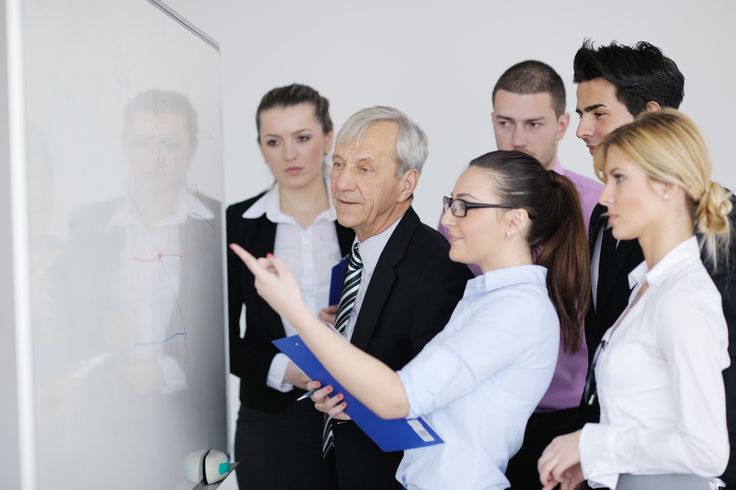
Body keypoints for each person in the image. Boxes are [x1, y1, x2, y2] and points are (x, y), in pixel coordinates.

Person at [231, 149, 590, 489]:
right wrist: (355, 404)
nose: (448, 218)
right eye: (450, 203)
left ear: (514, 221)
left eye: (464, 206)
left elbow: (400, 397)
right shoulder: (485, 297)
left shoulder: (516, 310)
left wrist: (293, 310)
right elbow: (433, 411)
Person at [539, 109, 732, 490]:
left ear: (666, 186)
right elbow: (645, 416)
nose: (605, 195)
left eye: (620, 179)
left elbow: (707, 450)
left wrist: (592, 443)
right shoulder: (647, 288)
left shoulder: (682, 300)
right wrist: (596, 462)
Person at [574, 40, 736, 487]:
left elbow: (714, 391)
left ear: (650, 117)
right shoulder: (604, 218)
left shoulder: (718, 232)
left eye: (598, 112)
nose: (581, 129)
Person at [311, 106, 471, 489]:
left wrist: (357, 401)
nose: (343, 183)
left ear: (406, 183)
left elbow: (441, 402)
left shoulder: (437, 267)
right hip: (342, 467)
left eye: (364, 169)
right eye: (338, 165)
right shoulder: (355, 253)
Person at [226, 84, 354, 489]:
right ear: (261, 147)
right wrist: (288, 371)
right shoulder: (237, 224)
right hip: (271, 418)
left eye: (303, 138)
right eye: (274, 142)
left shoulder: (364, 217)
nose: (290, 154)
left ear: (328, 137)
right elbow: (218, 335)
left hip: (358, 410)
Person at [489, 60, 600, 489]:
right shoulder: (463, 212)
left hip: (569, 419)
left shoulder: (601, 207)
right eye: (505, 122)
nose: (517, 140)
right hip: (489, 415)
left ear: (562, 124)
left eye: (533, 124)